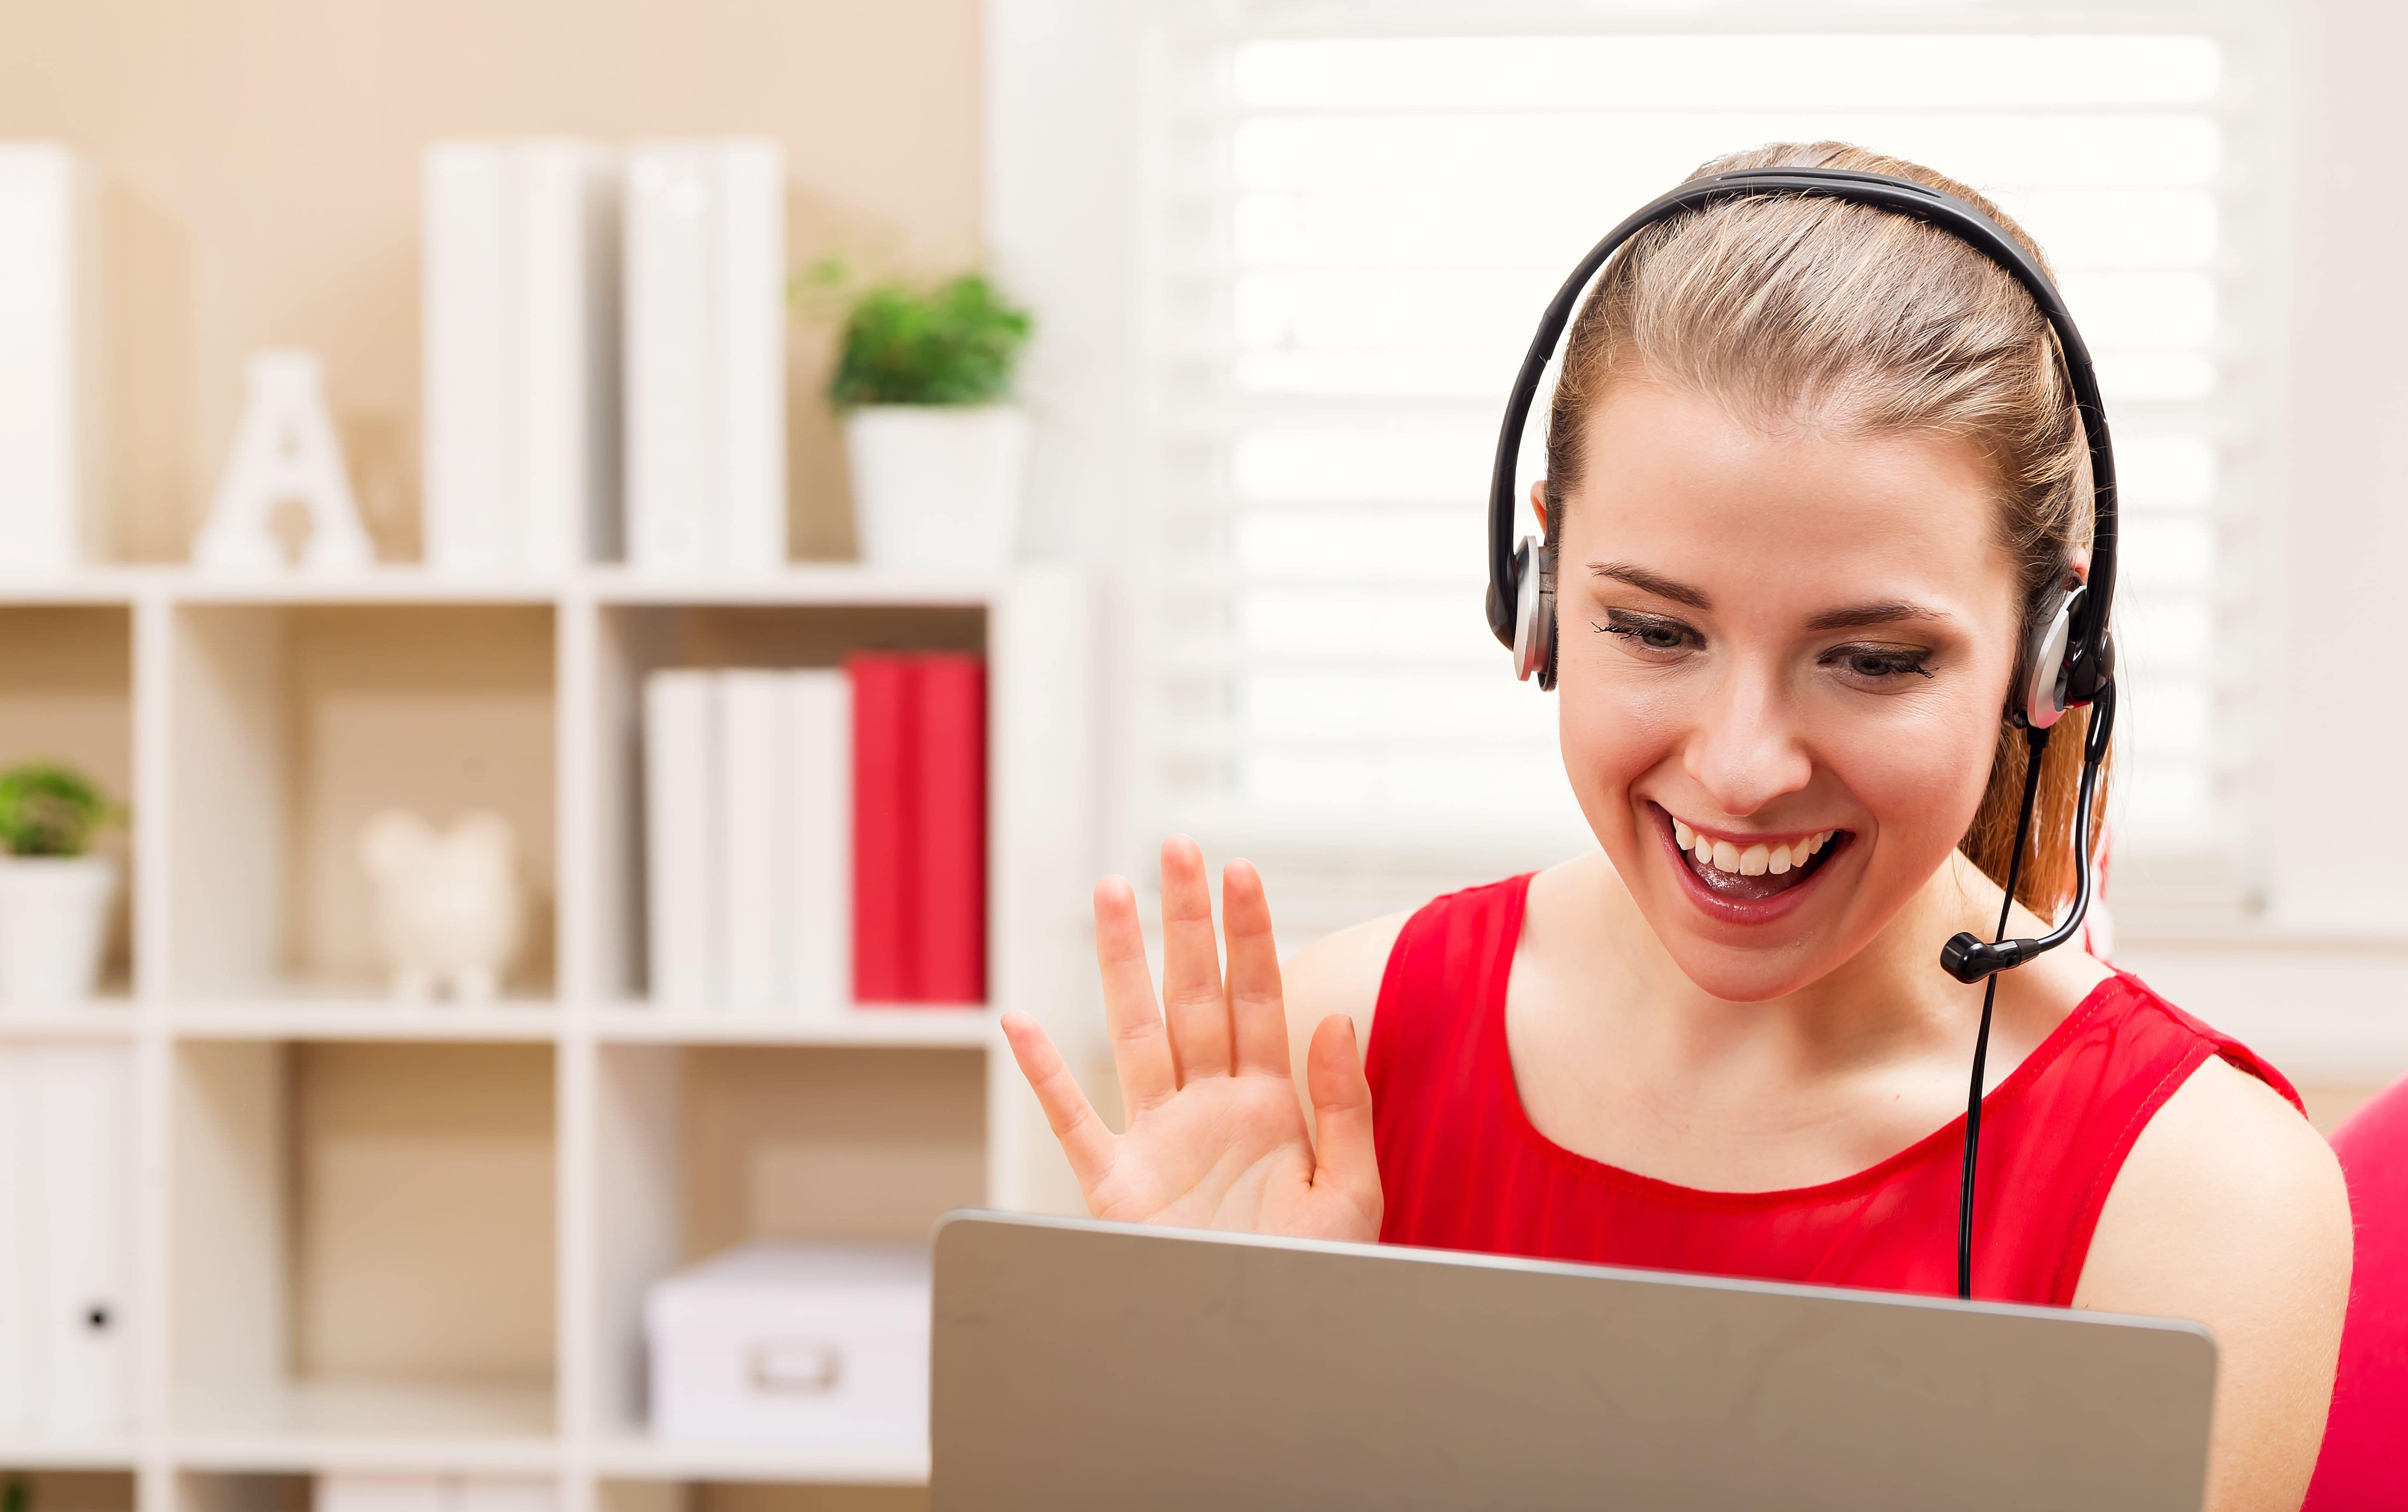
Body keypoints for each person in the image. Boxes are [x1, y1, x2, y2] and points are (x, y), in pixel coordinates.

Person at [1000, 143, 2352, 1512]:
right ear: (1536, 592)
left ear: (2049, 653)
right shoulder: (1326, 1062)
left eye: (1873, 659)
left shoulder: (2201, 1200)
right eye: (1652, 629)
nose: (1745, 767)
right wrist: (1194, 1420)